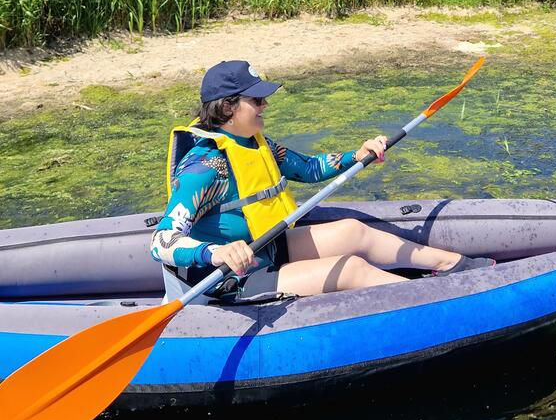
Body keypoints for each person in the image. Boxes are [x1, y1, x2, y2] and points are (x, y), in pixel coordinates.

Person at [150, 60, 494, 301]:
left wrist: (357, 156)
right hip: (231, 277)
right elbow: (161, 240)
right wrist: (215, 253)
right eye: (256, 99)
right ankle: (439, 300)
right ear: (227, 108)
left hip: (266, 248)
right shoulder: (203, 167)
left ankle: (451, 264)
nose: (265, 104)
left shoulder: (256, 143)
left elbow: (310, 168)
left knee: (352, 231)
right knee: (351, 269)